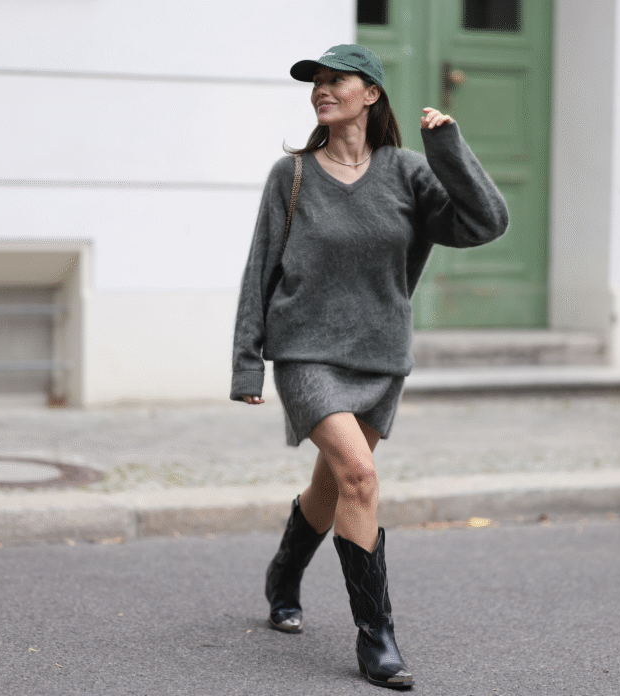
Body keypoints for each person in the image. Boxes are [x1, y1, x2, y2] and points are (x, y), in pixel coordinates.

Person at [230, 44, 509, 690]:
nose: (322, 90)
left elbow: (486, 222)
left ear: (372, 94)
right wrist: (247, 364)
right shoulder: (291, 175)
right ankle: (376, 637)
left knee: (334, 485)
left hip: (380, 357)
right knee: (359, 474)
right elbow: (259, 269)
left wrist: (447, 150)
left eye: (338, 81)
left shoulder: (407, 173)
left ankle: (284, 573)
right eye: (317, 83)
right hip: (306, 352)